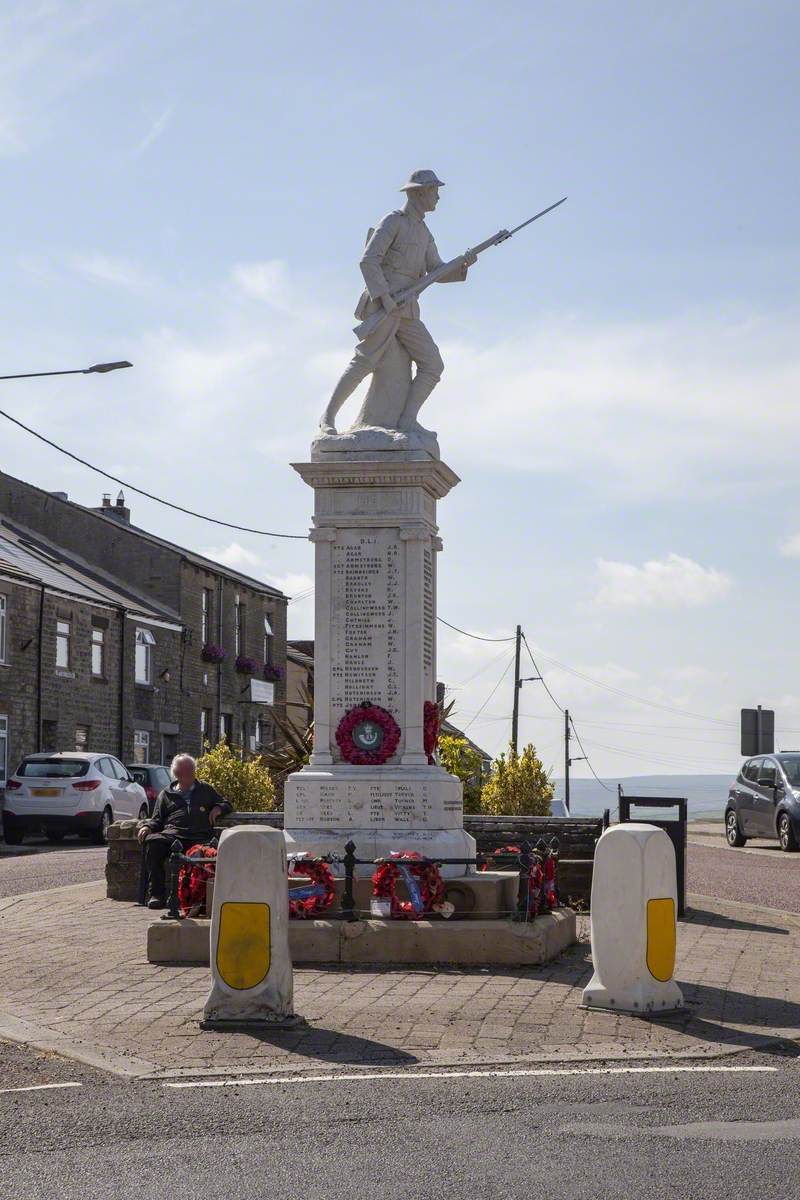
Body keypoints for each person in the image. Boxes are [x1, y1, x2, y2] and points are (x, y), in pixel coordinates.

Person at [319, 169, 477, 438]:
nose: (437, 197)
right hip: (385, 304)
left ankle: (407, 420)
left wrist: (463, 265)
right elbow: (368, 261)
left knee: (432, 364)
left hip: (407, 308)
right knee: (364, 362)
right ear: (419, 193)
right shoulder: (393, 221)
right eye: (433, 191)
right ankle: (328, 418)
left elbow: (436, 270)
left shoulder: (425, 232)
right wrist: (385, 298)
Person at [137, 753, 231, 909]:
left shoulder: (205, 789)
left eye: (191, 770)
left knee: (205, 853)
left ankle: (199, 899)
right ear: (176, 774)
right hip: (173, 836)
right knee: (154, 844)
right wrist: (147, 827)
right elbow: (157, 819)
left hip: (198, 836)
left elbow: (226, 803)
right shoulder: (166, 794)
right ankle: (157, 895)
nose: (189, 774)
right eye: (184, 771)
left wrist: (218, 808)